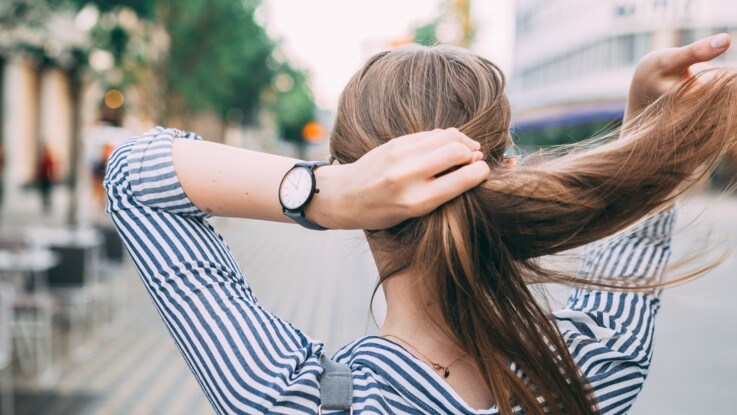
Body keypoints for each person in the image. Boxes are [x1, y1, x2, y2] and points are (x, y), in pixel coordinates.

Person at [104, 33, 736, 415]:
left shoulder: (285, 397)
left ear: (362, 186)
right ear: (504, 170)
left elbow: (134, 174)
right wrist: (650, 126)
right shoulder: (586, 378)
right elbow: (637, 223)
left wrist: (320, 196)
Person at [36, 144, 56, 213]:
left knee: (48, 192)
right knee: (43, 192)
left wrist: (51, 175)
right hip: (43, 178)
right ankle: (45, 204)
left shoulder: (49, 159)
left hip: (48, 178)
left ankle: (48, 204)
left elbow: (52, 168)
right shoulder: (42, 159)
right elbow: (39, 168)